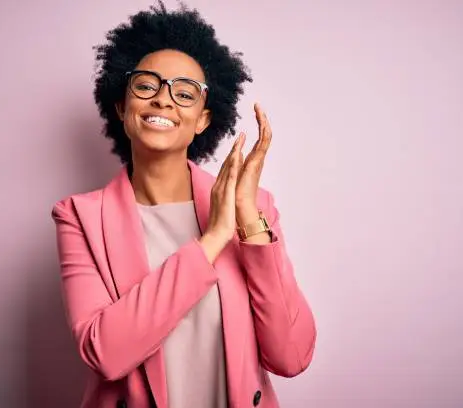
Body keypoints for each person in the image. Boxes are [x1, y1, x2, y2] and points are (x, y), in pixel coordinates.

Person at [51, 3, 316, 407]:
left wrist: (248, 221)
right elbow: (105, 353)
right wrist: (212, 242)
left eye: (184, 92)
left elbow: (292, 356)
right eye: (146, 85)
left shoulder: (254, 210)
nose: (163, 100)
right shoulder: (80, 217)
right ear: (122, 108)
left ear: (203, 119)